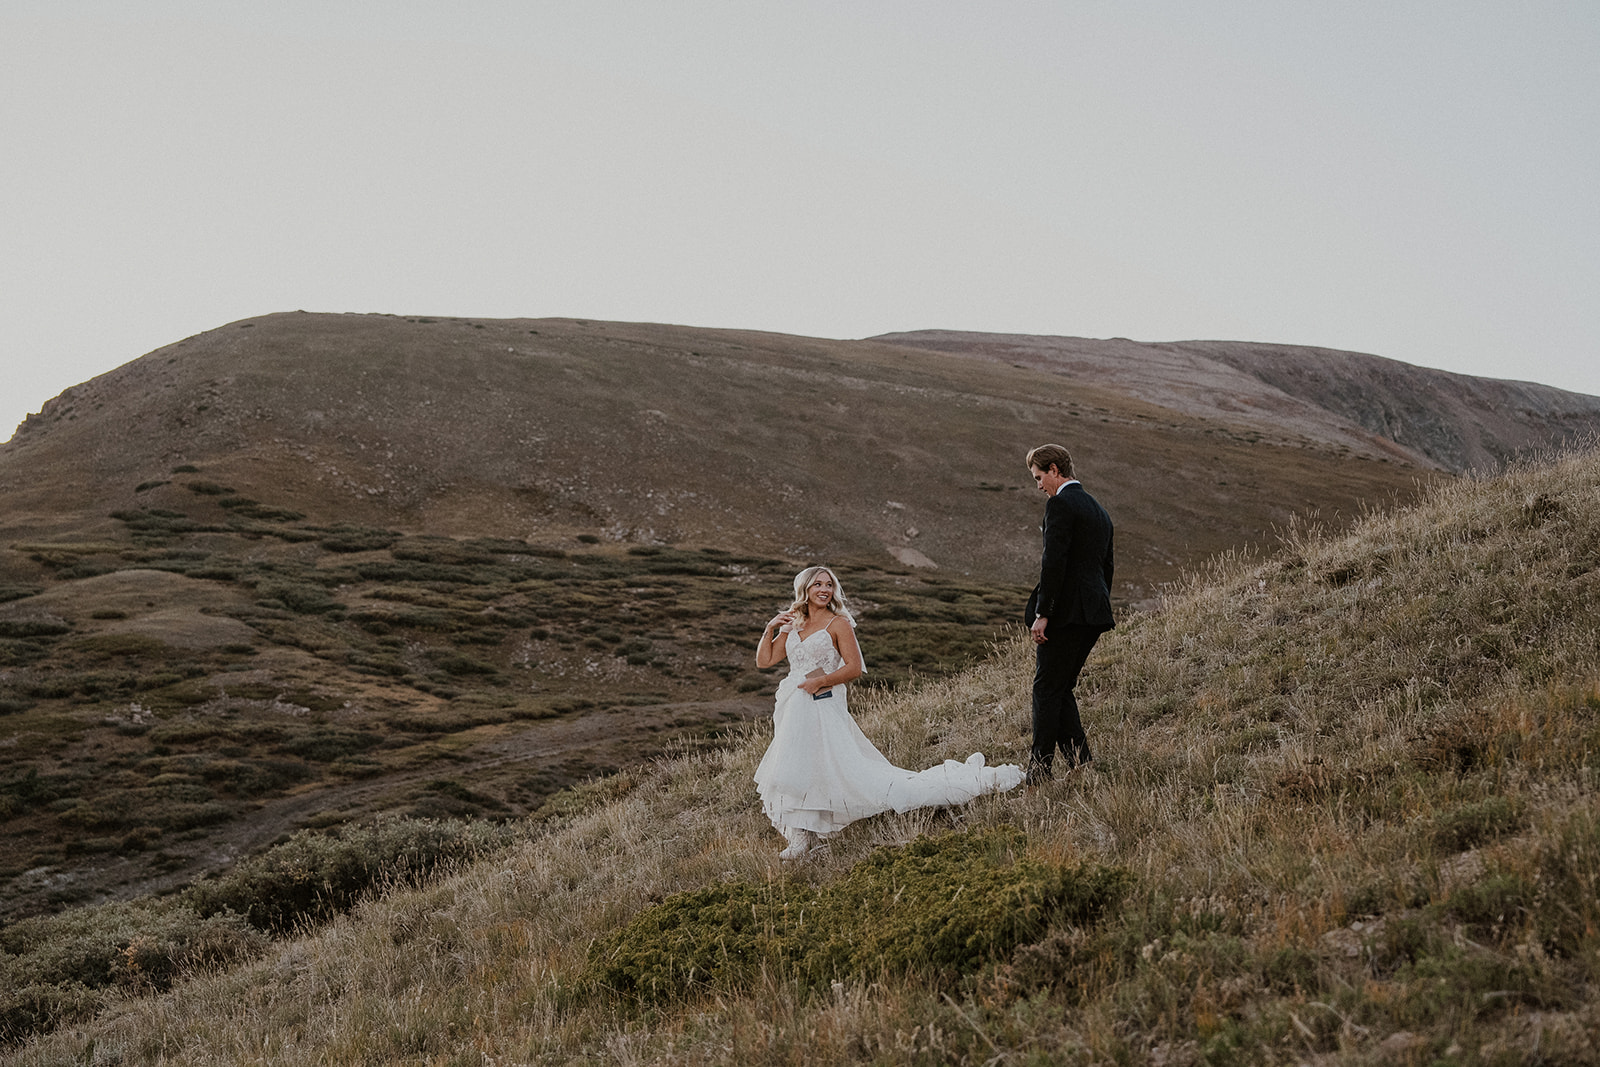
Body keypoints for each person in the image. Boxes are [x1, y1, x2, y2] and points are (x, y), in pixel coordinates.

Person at [753, 565, 1024, 860]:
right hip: (794, 706)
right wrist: (770, 629)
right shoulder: (795, 623)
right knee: (794, 766)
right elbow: (765, 660)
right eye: (817, 584)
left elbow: (854, 668)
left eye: (829, 585)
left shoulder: (838, 623)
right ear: (804, 588)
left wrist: (821, 680)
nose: (824, 590)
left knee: (832, 765)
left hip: (823, 703)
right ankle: (802, 837)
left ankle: (823, 827)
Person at [1024, 443, 1115, 783]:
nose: (1038, 486)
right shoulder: (1098, 510)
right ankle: (1081, 766)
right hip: (1092, 614)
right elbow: (1106, 567)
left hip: (1064, 615)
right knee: (1060, 689)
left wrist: (1044, 612)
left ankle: (1039, 772)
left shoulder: (1060, 504)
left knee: (1046, 689)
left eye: (1038, 477)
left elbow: (1054, 563)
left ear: (1054, 470)